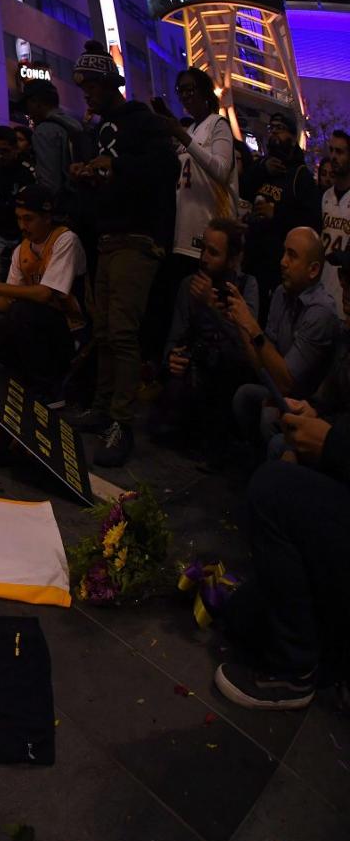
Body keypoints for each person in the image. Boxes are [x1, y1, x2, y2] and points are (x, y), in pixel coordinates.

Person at [214, 255, 350, 708]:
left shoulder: (321, 315)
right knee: (239, 617)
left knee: (272, 486)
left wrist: (329, 443)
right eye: (345, 278)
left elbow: (288, 371)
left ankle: (296, 671)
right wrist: (315, 417)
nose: (345, 289)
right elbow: (327, 398)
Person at [67, 40, 179, 467]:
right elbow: (109, 181)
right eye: (84, 87)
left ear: (111, 83)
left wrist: (117, 167)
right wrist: (85, 177)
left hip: (138, 237)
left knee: (123, 332)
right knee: (105, 329)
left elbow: (166, 168)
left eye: (93, 84)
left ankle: (121, 421)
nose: (87, 93)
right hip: (109, 237)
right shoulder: (97, 129)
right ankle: (101, 407)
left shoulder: (141, 122)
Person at [0, 185, 85, 403]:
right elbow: (8, 302)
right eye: (19, 219)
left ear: (47, 217)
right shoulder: (22, 250)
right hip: (33, 323)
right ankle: (23, 380)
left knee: (23, 312)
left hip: (68, 330)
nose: (22, 226)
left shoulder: (65, 240)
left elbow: (44, 295)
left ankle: (49, 389)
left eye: (28, 219)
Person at [149, 218, 258, 464]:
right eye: (203, 249)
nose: (205, 258)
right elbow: (175, 335)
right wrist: (172, 357)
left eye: (214, 252)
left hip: (229, 371)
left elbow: (247, 347)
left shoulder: (246, 287)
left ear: (231, 259)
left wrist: (212, 306)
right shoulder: (190, 285)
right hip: (197, 365)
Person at [228, 227, 340, 449]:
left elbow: (287, 383)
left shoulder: (321, 311)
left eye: (292, 255)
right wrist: (240, 320)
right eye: (283, 253)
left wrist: (252, 326)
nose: (282, 262)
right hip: (282, 389)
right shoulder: (281, 293)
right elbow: (262, 364)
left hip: (309, 403)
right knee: (245, 396)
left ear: (313, 270)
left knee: (269, 415)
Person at [159, 68, 238, 283]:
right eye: (180, 90)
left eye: (190, 89)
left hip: (210, 233)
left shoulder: (218, 125)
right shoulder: (192, 129)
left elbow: (221, 170)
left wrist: (183, 138)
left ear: (204, 92)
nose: (185, 95)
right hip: (182, 235)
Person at [241, 113, 320, 322]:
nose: (274, 131)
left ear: (293, 137)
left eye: (280, 127)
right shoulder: (263, 168)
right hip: (253, 261)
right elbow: (242, 189)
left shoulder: (300, 175)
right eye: (271, 127)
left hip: (278, 268)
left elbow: (311, 222)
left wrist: (276, 214)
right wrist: (261, 169)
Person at [21, 79, 87, 214]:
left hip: (62, 211)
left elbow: (49, 184)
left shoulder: (44, 130)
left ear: (36, 102)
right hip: (82, 203)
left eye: (27, 105)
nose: (28, 112)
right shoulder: (74, 124)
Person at [0, 126, 36, 280]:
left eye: (4, 151)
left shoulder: (27, 172)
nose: (0, 155)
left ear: (16, 149)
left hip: (22, 234)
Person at [319, 130, 350, 318]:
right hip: (323, 286)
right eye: (331, 151)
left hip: (345, 292)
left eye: (340, 152)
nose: (333, 156)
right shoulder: (325, 196)